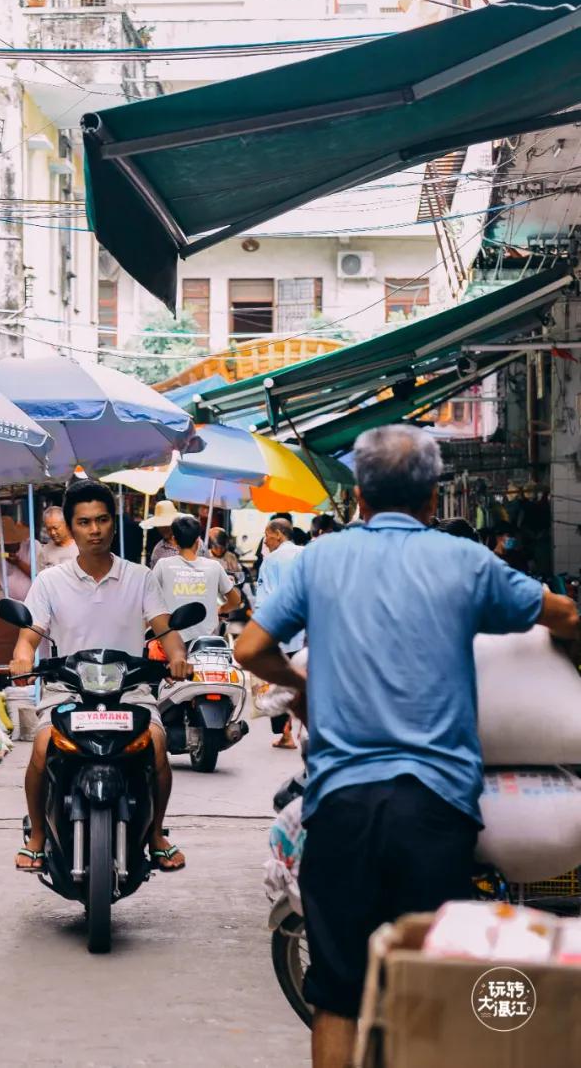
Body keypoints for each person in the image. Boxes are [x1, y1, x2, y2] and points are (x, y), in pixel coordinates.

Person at [234, 425, 580, 1068]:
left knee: (338, 992)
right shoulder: (465, 562)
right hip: (435, 806)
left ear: (360, 497)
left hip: (341, 801)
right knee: (428, 984)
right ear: (432, 499)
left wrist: (296, 679)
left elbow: (251, 650)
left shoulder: (318, 559)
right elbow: (562, 616)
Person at [9, 480, 192, 875]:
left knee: (157, 744)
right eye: (85, 522)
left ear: (114, 523)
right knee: (42, 745)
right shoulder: (50, 581)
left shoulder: (140, 577)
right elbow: (30, 634)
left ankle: (156, 833)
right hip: (68, 689)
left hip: (129, 690)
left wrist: (178, 655)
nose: (95, 530)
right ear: (71, 529)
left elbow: (163, 626)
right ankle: (38, 834)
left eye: (102, 520)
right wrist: (22, 657)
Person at [254, 517, 304, 748]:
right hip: (304, 632)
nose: (265, 541)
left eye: (267, 535)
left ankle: (285, 732)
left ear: (278, 534)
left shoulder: (271, 561)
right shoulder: (306, 554)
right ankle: (297, 729)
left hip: (280, 631)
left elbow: (264, 602)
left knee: (277, 680)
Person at [154, 515, 241, 640]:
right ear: (198, 541)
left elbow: (149, 600)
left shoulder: (163, 565)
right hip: (206, 642)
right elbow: (235, 600)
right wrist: (221, 609)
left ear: (175, 540)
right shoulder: (214, 566)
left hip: (171, 642)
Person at [38, 504, 77, 569]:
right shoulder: (44, 551)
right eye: (49, 529)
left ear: (66, 524)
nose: (52, 533)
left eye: (55, 528)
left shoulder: (80, 548)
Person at [145, 499, 181, 566]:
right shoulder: (158, 551)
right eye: (160, 525)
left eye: (166, 524)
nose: (163, 528)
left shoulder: (193, 542)